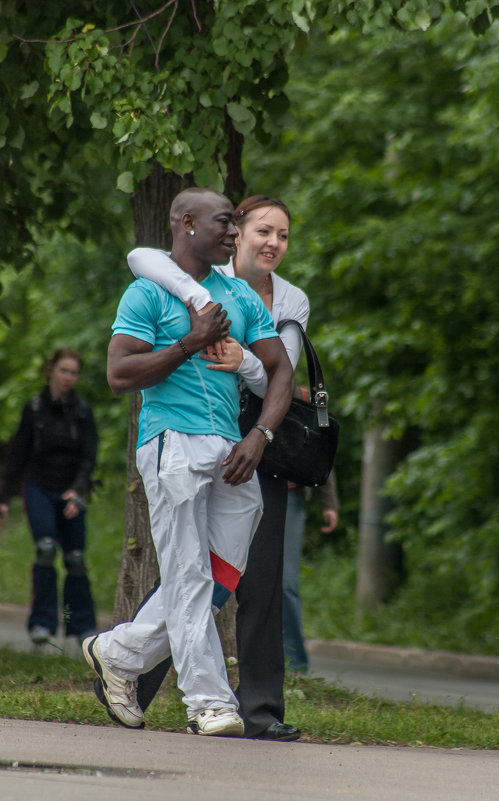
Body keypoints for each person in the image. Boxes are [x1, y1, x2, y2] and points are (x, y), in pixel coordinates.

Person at [82, 187, 294, 738]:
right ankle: (208, 702)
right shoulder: (146, 294)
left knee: (217, 573)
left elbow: (281, 374)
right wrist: (188, 342)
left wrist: (262, 435)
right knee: (188, 573)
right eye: (225, 223)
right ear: (186, 223)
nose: (234, 232)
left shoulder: (241, 298)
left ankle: (118, 653)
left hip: (233, 452)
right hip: (171, 441)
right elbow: (118, 375)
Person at [0, 349, 98, 647]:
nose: (68, 377)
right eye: (63, 370)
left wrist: (77, 491)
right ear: (50, 370)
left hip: (71, 489)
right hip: (38, 486)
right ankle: (42, 623)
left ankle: (78, 624)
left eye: (73, 372)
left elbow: (89, 458)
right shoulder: (34, 407)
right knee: (45, 549)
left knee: (75, 559)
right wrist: (3, 497)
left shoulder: (83, 411)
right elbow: (18, 454)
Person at [283, 468, 339, 673]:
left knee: (285, 584)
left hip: (290, 495)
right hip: (246, 489)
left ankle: (295, 666)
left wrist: (328, 502)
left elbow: (320, 441)